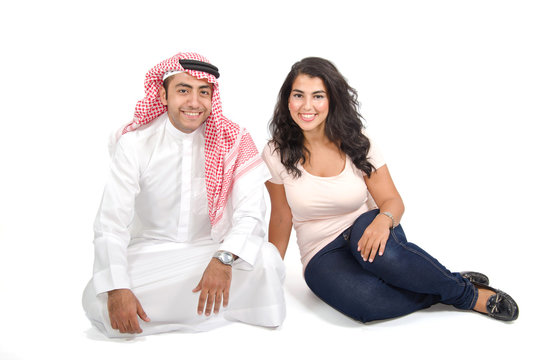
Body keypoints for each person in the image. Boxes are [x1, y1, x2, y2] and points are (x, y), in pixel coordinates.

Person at [262, 57, 518, 323]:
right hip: (321, 250)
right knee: (366, 304)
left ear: (333, 100)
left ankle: (469, 296)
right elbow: (281, 216)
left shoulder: (356, 141)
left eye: (318, 96)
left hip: (365, 224)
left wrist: (383, 221)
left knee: (387, 260)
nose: (307, 106)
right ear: (287, 100)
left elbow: (391, 200)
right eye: (298, 95)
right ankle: (444, 284)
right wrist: (271, 271)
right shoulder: (275, 153)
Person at [82, 52, 285, 338]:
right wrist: (118, 288)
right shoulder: (136, 144)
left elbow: (251, 213)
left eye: (204, 92)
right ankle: (217, 310)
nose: (194, 102)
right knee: (97, 297)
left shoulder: (234, 140)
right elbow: (111, 223)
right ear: (163, 96)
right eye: (183, 90)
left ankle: (165, 314)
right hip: (151, 253)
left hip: (210, 251)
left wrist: (223, 259)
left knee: (267, 259)